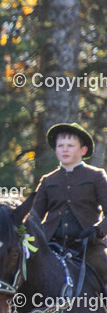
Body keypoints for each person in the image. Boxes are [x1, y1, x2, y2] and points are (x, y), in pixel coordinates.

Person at [32, 123, 107, 290]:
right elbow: (33, 217)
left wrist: (97, 231)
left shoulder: (96, 176)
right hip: (51, 247)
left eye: (70, 146)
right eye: (60, 146)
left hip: (89, 248)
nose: (65, 150)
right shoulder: (47, 180)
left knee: (104, 272)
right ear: (56, 150)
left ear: (83, 151)